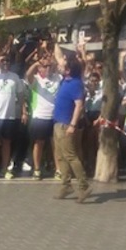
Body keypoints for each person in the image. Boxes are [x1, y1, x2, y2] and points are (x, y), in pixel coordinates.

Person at [52, 56, 92, 203]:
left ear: (68, 70)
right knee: (60, 156)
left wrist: (73, 125)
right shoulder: (65, 80)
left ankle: (84, 185)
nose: (59, 66)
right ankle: (66, 184)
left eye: (63, 65)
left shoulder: (75, 84)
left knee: (71, 156)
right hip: (58, 123)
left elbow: (79, 105)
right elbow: (59, 58)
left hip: (66, 125)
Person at [25, 54, 62, 180]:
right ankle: (37, 169)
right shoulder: (36, 80)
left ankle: (58, 170)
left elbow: (61, 67)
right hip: (40, 116)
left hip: (55, 116)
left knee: (55, 145)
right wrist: (37, 63)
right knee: (38, 144)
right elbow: (27, 75)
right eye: (44, 67)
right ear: (39, 69)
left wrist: (52, 62)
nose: (47, 69)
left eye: (49, 67)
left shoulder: (57, 78)